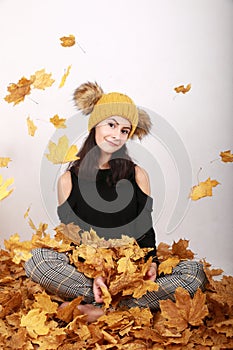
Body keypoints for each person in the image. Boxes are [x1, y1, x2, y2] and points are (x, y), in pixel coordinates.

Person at [25, 82, 207, 322]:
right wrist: (96, 274)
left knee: (193, 273)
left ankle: (106, 310)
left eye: (124, 130)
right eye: (111, 124)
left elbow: (144, 230)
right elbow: (71, 240)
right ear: (95, 125)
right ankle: (112, 302)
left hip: (131, 271)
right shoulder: (68, 179)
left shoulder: (138, 174)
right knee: (37, 260)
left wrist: (150, 265)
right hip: (89, 274)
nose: (117, 135)